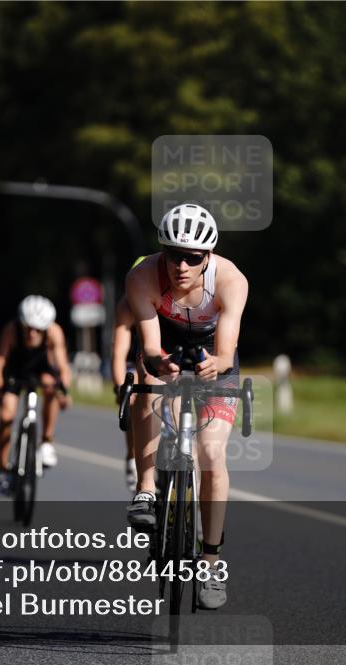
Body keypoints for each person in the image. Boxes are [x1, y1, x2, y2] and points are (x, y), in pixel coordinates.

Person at [125, 203, 248, 609]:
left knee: (211, 453)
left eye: (192, 258)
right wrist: (158, 362)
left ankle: (210, 563)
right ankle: (145, 490)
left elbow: (227, 352)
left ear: (207, 257)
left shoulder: (230, 279)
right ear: (162, 251)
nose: (181, 266)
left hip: (215, 357)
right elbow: (147, 344)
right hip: (168, 350)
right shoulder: (142, 276)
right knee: (146, 382)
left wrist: (218, 364)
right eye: (173, 254)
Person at [0, 295, 72, 496]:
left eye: (38, 329)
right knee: (6, 415)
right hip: (15, 371)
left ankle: (46, 441)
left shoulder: (54, 332)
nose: (32, 333)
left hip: (40, 369)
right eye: (29, 327)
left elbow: (63, 367)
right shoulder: (11, 330)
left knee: (52, 386)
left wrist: (64, 391)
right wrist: (0, 390)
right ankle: (2, 469)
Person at [111, 256, 148, 493]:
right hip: (136, 358)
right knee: (133, 394)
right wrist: (119, 387)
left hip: (164, 359)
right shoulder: (126, 306)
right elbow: (119, 353)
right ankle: (132, 455)